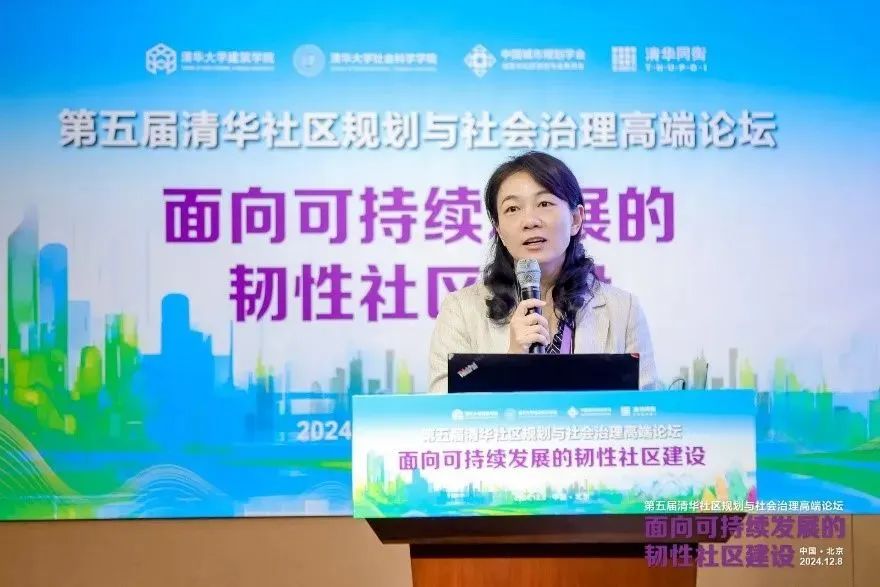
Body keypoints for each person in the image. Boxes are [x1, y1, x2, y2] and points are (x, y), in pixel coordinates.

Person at [428, 151, 659, 393]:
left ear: (576, 219)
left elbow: (647, 407)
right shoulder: (460, 311)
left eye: (544, 204)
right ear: (499, 231)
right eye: (512, 208)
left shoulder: (623, 310)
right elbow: (444, 405)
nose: (530, 221)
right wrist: (510, 362)